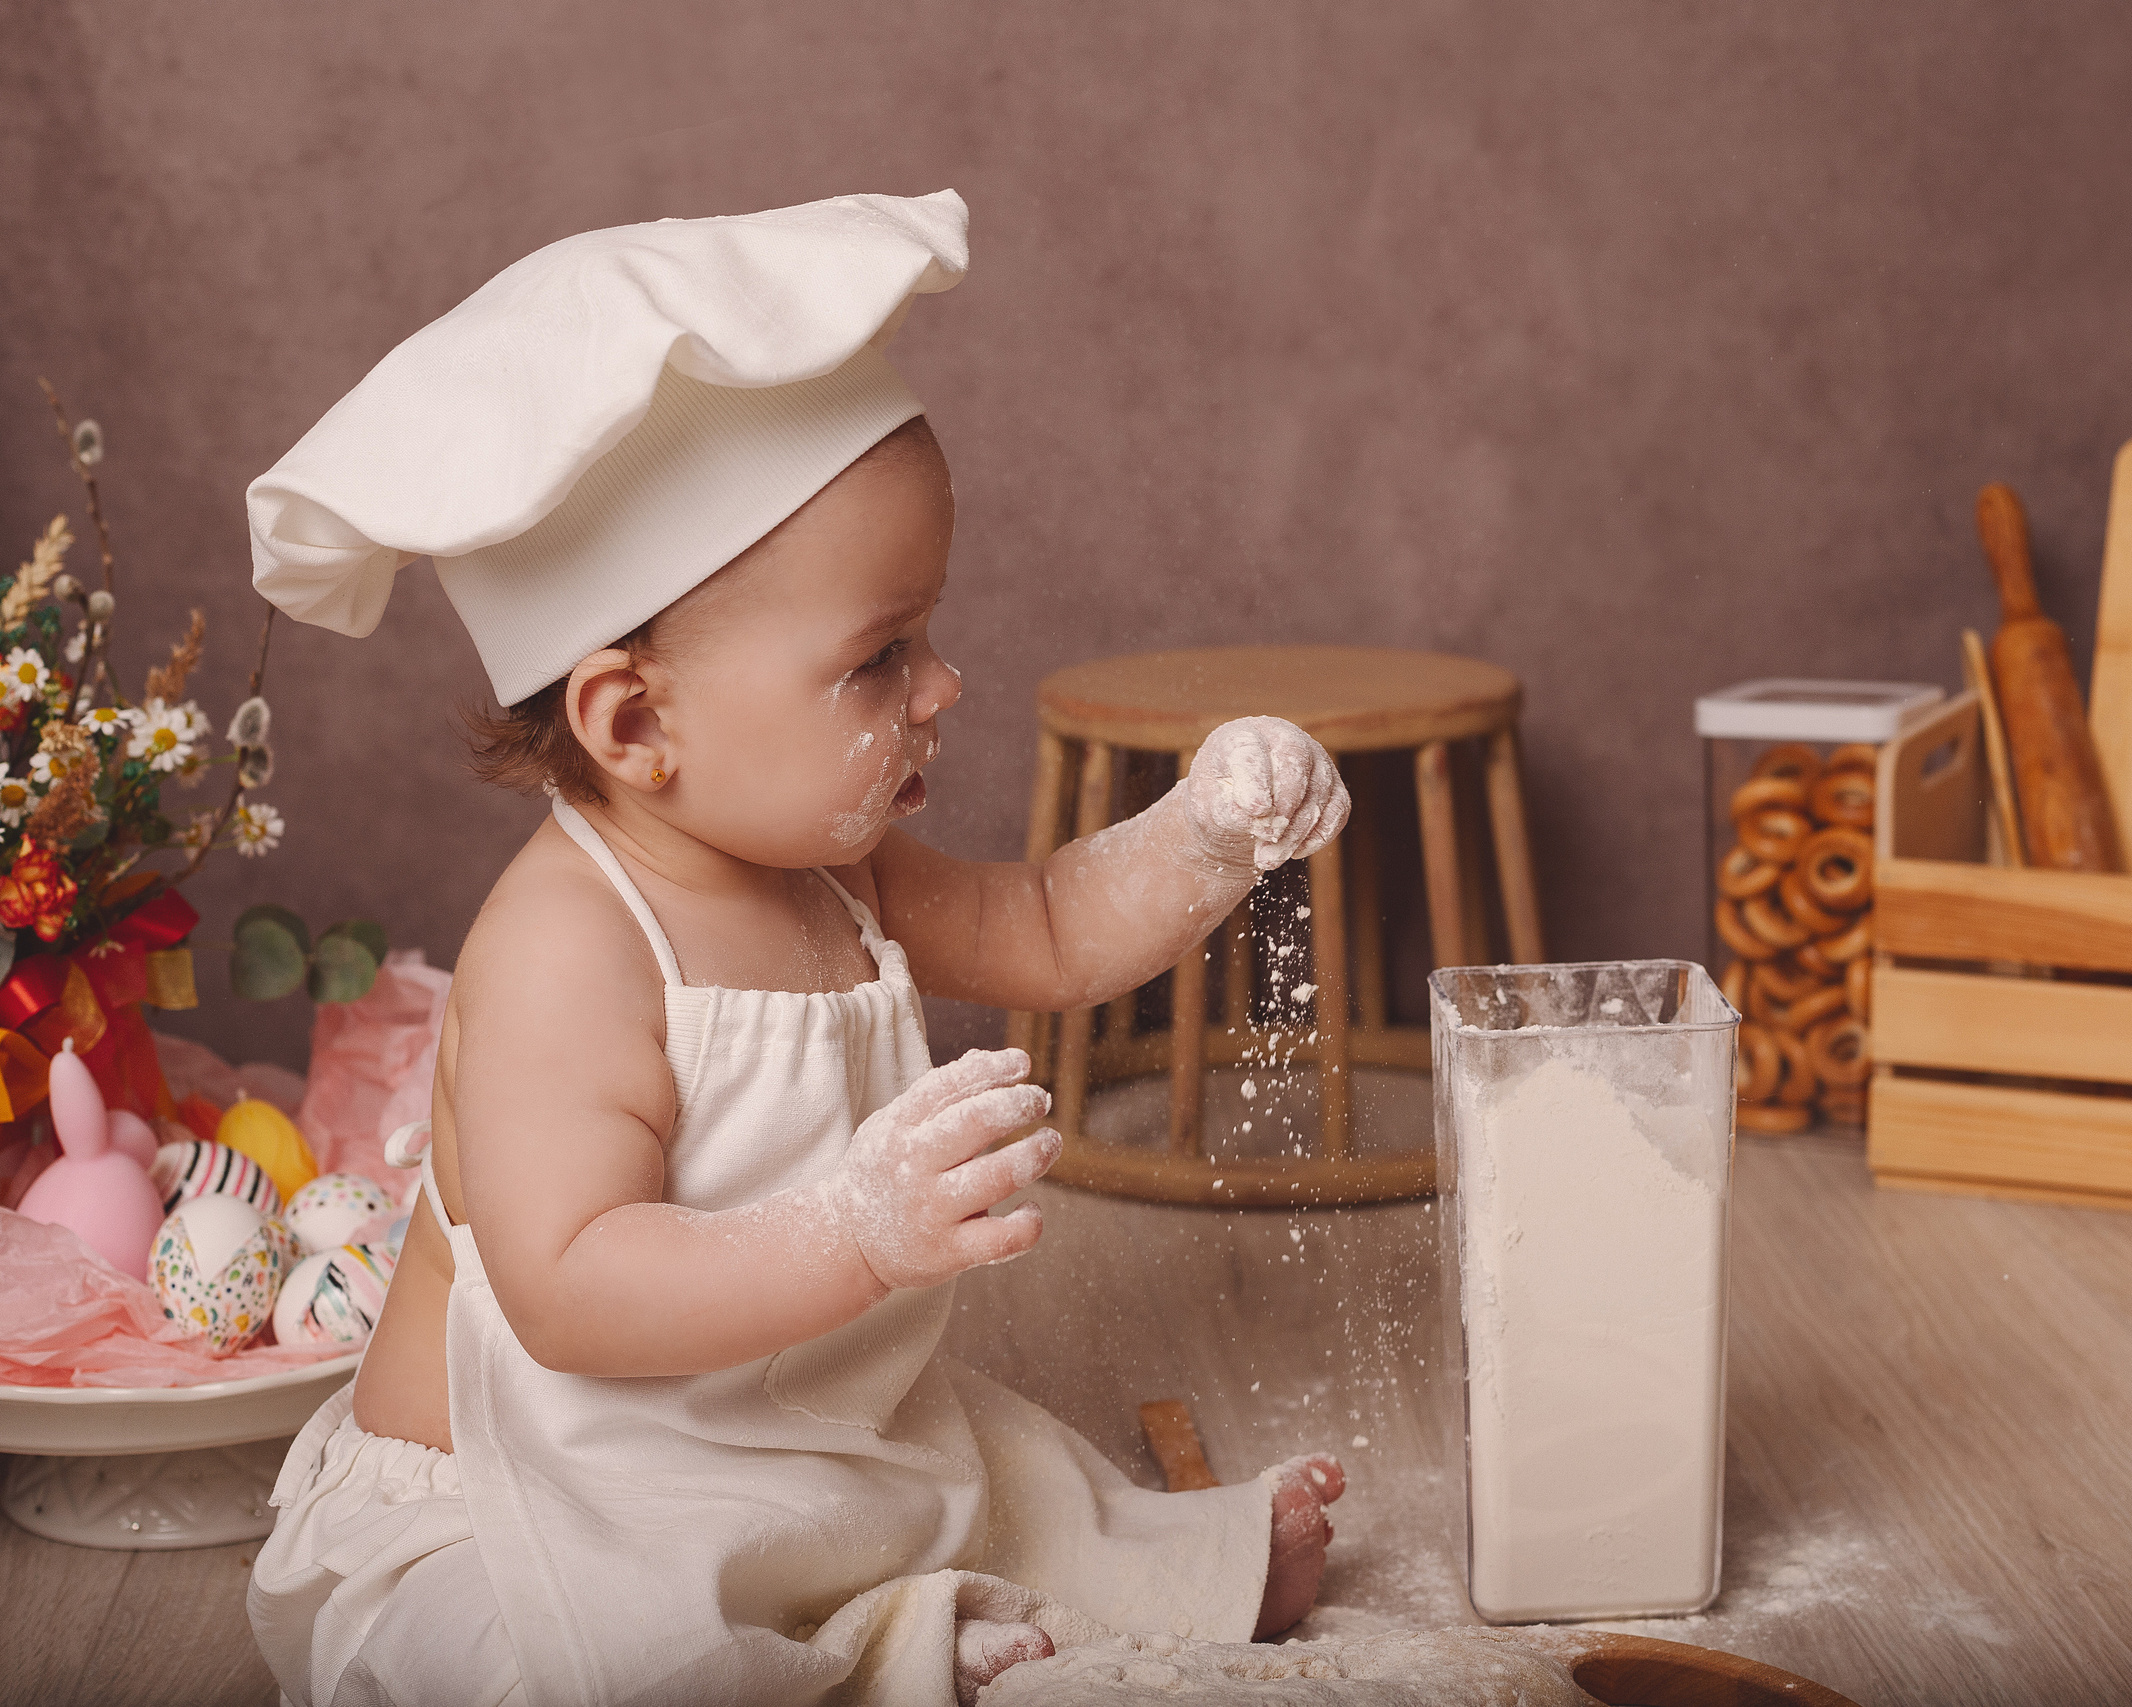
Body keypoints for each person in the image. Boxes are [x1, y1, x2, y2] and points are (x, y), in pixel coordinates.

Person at [242, 190, 1348, 1707]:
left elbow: (1049, 925)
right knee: (563, 1670)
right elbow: (567, 1291)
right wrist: (855, 1237)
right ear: (637, 725)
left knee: (991, 1471)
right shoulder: (566, 948)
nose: (945, 684)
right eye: (877, 656)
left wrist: (1205, 836)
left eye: (929, 633)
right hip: (523, 1499)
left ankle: (1012, 1591)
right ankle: (864, 1648)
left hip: (768, 1435)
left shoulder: (842, 869)